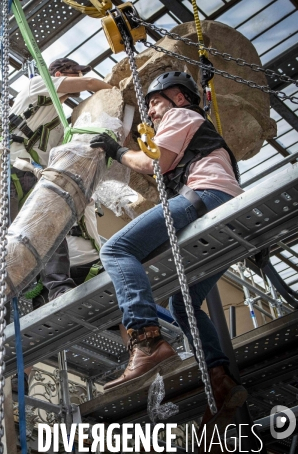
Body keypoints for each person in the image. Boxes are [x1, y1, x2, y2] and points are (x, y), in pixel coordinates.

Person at [91, 71, 246, 429]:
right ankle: (220, 379)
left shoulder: (182, 115)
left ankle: (146, 341)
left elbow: (152, 164)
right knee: (182, 303)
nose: (152, 113)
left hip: (205, 197)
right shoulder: (200, 132)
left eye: (156, 102)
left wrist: (117, 150)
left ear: (179, 96)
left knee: (116, 252)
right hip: (224, 208)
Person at [0, 57, 111, 303]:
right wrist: (113, 93)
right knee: (43, 225)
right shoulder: (37, 85)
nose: (79, 80)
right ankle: (51, 288)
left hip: (28, 175)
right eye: (74, 74)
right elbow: (89, 81)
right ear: (60, 74)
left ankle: (53, 288)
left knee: (44, 230)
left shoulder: (60, 122)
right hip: (12, 168)